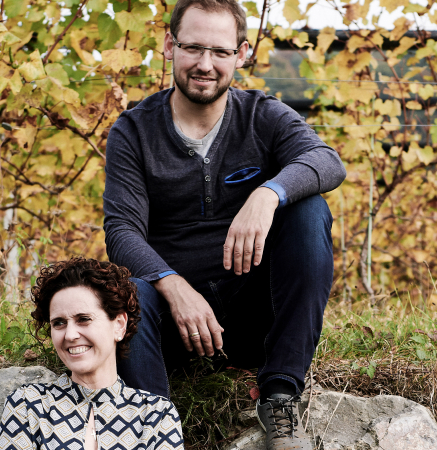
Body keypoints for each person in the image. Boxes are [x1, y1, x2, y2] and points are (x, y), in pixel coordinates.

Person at [102, 0, 347, 447]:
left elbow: (327, 162)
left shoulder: (262, 116)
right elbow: (121, 231)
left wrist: (267, 193)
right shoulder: (133, 132)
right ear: (169, 45)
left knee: (308, 210)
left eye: (219, 51)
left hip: (255, 317)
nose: (205, 64)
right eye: (193, 48)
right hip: (172, 323)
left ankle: (279, 393)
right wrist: (173, 286)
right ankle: (154, 432)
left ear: (242, 53)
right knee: (126, 293)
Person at [0, 258, 184, 450]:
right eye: (59, 323)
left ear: (119, 325)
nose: (70, 335)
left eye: (84, 319)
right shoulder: (29, 404)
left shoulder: (156, 414)